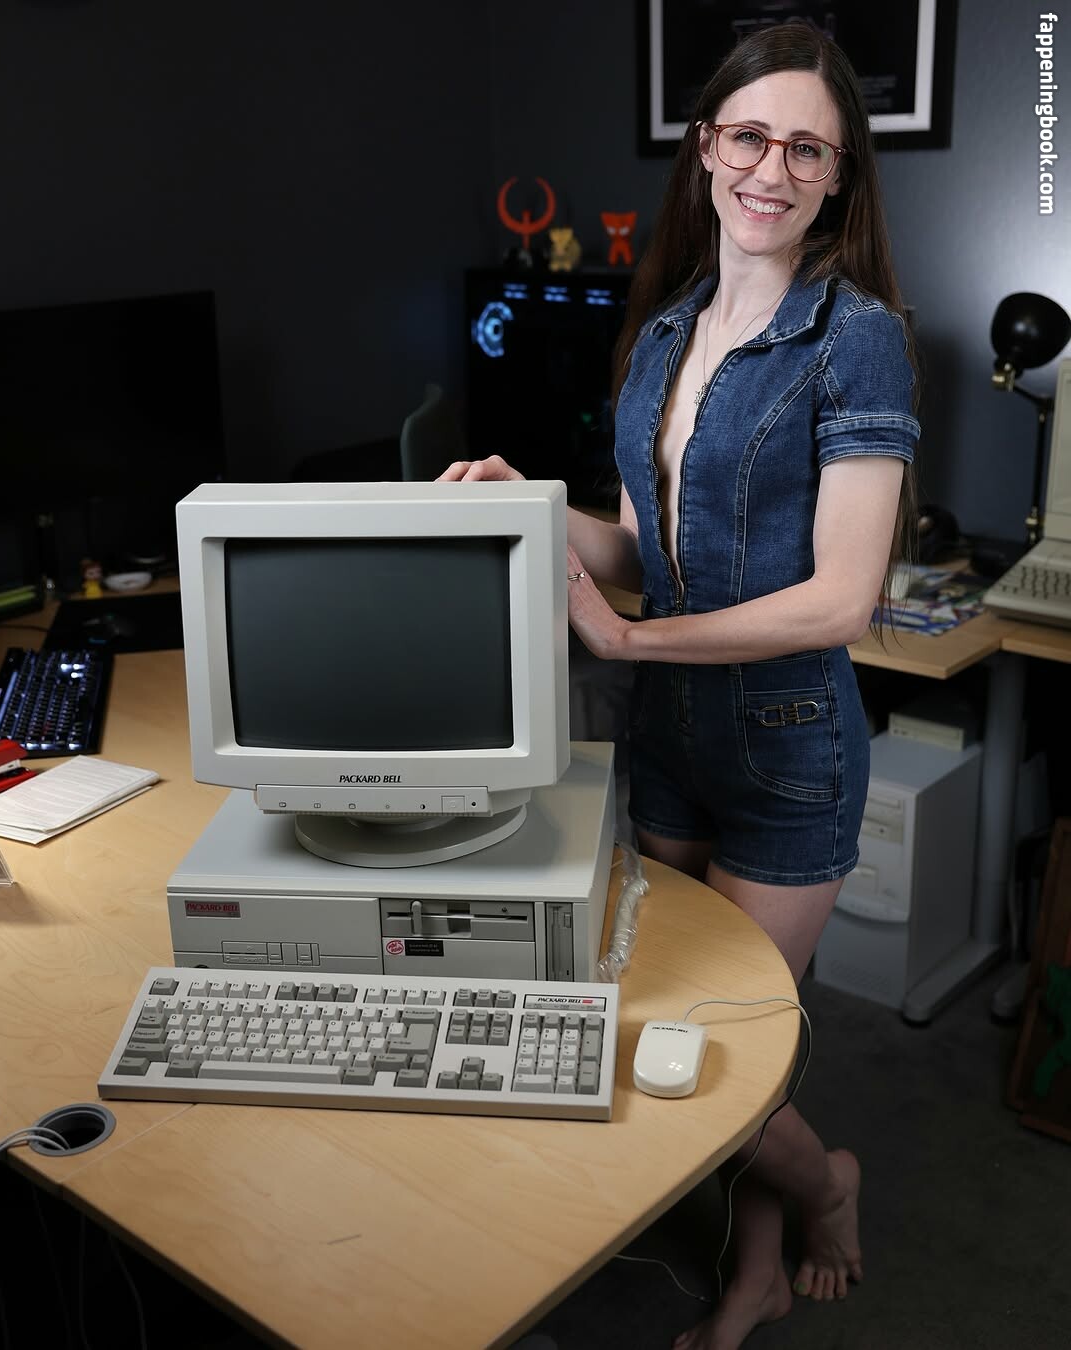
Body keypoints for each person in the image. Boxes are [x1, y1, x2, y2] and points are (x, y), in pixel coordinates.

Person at [441, 22, 919, 1350]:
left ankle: (826, 1190)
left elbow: (842, 598)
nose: (774, 168)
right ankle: (757, 1267)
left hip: (787, 744)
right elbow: (640, 548)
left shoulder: (859, 339)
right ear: (706, 146)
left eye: (808, 149)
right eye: (751, 136)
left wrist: (631, 641)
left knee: (722, 1057)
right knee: (708, 1039)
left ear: (837, 178)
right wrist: (530, 508)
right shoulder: (661, 332)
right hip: (668, 743)